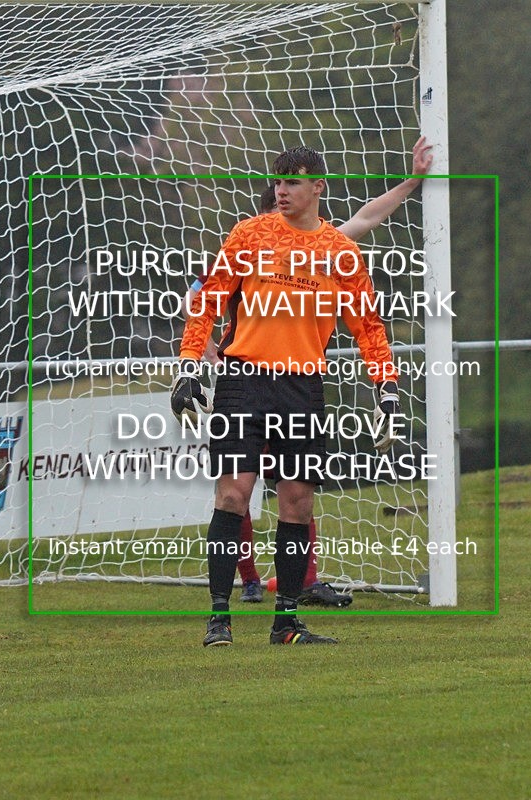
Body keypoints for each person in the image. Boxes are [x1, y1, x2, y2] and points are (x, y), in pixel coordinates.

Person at [180, 138, 432, 608]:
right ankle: (243, 586)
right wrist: (200, 363)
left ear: (313, 190)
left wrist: (414, 181)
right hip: (244, 380)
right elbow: (200, 303)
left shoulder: (330, 247)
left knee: (296, 497)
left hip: (299, 385)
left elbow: (368, 218)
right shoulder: (247, 241)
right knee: (238, 493)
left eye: (291, 184)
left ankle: (297, 596)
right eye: (277, 185)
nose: (282, 194)